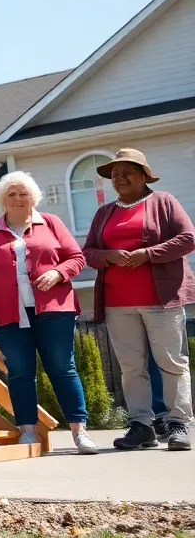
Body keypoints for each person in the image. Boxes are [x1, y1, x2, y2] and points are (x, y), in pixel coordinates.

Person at [0, 171, 98, 454]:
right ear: (2, 200)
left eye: (23, 193)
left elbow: (76, 258)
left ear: (33, 197)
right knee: (19, 373)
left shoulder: (51, 223)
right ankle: (27, 432)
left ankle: (80, 433)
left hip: (54, 310)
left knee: (62, 369)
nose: (17, 198)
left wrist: (58, 272)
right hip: (7, 314)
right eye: (11, 194)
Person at [80, 148, 194, 452]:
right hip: (118, 303)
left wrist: (148, 254)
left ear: (144, 174)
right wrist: (108, 256)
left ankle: (177, 424)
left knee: (171, 363)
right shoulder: (104, 213)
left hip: (162, 300)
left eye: (127, 171)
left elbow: (188, 238)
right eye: (114, 174)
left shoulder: (165, 202)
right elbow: (88, 252)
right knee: (131, 367)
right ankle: (141, 426)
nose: (120, 178)